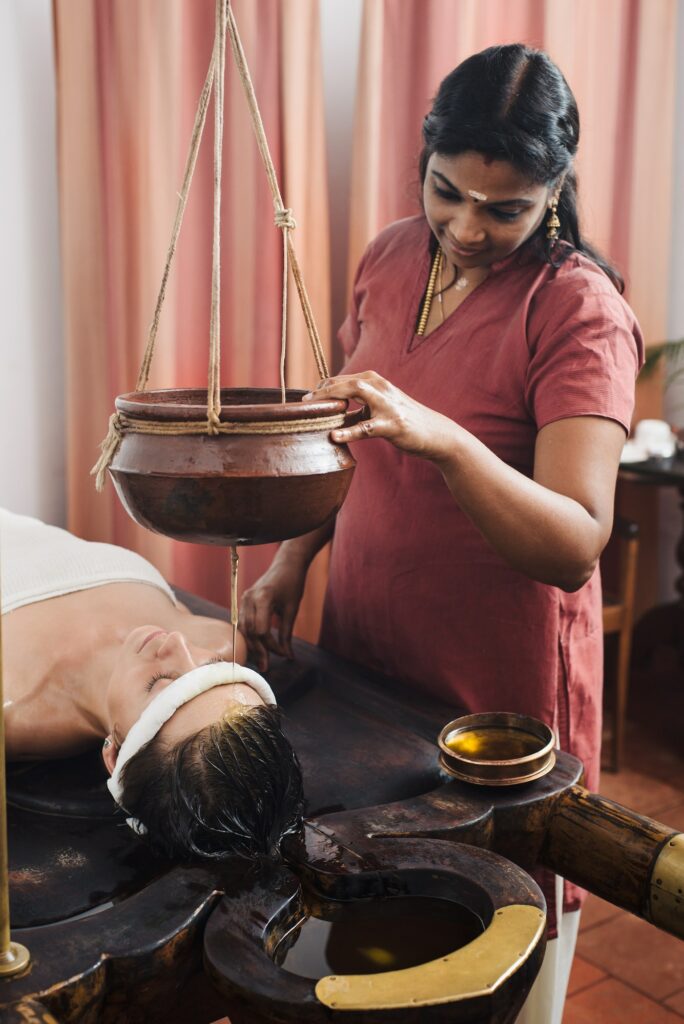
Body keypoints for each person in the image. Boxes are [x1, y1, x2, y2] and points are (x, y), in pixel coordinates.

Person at [240, 44, 643, 1024]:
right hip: (370, 657)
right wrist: (292, 564)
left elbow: (574, 542)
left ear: (556, 191)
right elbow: (349, 440)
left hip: (493, 693)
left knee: (489, 945)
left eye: (503, 209)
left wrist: (442, 438)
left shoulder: (578, 311)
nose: (466, 226)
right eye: (446, 191)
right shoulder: (389, 257)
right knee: (372, 916)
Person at [0, 507, 303, 861]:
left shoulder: (15, 707)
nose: (177, 642)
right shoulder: (222, 639)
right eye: (213, 667)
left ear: (113, 754)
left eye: (160, 683)